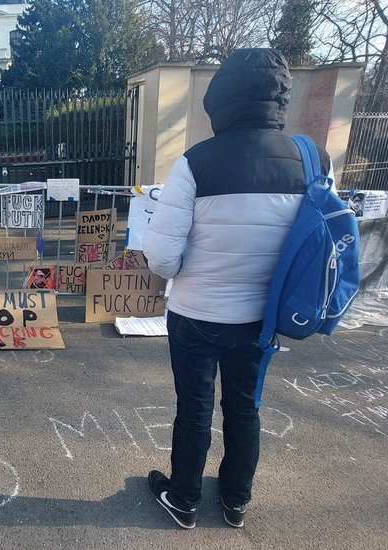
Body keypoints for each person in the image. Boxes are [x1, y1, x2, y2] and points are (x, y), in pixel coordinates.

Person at [141, 48, 332, 530]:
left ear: (219, 100)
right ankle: (235, 499)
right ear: (280, 97)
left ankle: (183, 496)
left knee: (195, 409)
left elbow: (162, 257)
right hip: (263, 317)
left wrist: (189, 269)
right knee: (244, 408)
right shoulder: (312, 160)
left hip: (196, 313)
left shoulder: (195, 163)